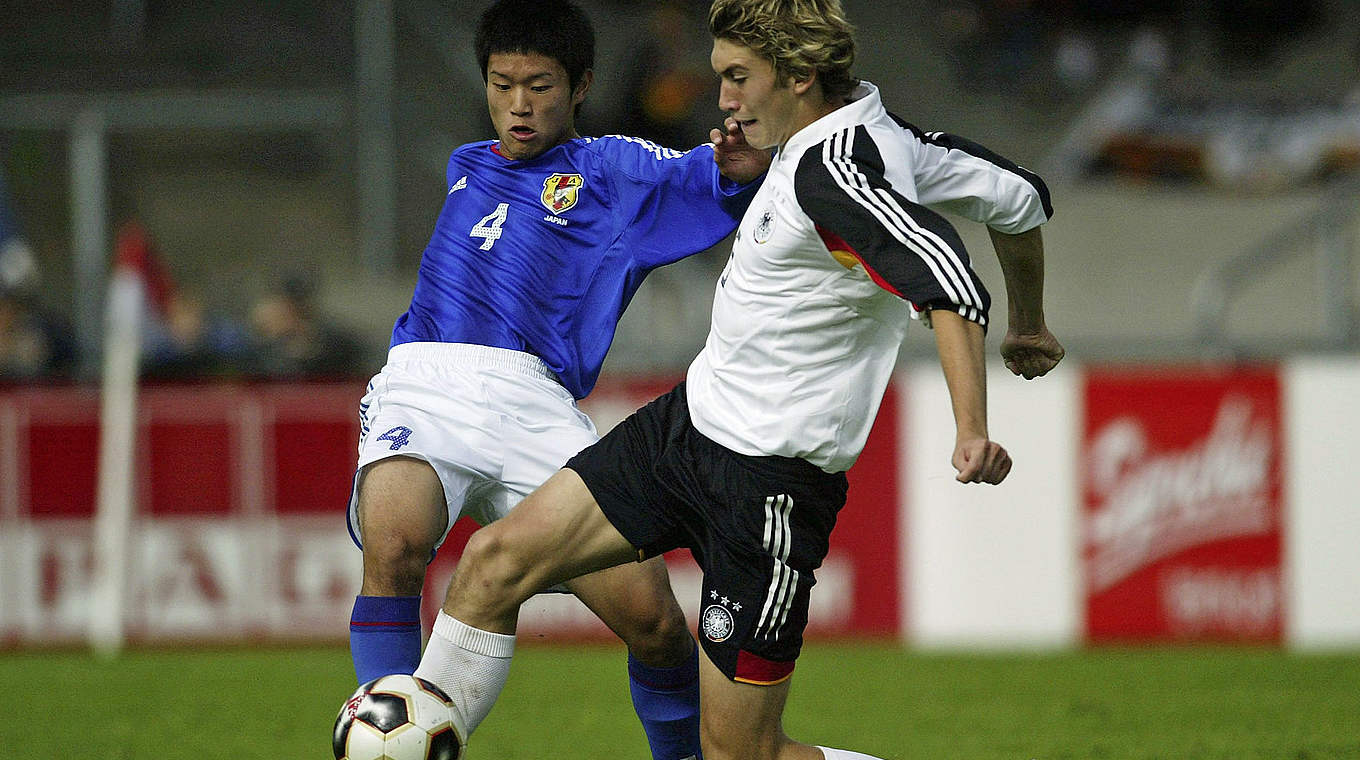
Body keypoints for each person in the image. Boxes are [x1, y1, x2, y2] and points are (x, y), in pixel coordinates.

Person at [409, 0, 1066, 758]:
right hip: (684, 431)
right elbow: (1020, 198)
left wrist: (972, 426)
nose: (720, 98)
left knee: (741, 755)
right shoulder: (870, 137)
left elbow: (948, 277)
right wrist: (1031, 322)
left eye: (736, 77)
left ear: (797, 76)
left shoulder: (835, 174)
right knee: (494, 564)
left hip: (767, 490)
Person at [346, 1, 769, 758]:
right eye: (501, 83)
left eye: (538, 85)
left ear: (580, 87)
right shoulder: (466, 164)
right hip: (424, 380)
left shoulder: (613, 171)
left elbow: (714, 179)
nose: (517, 103)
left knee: (655, 623)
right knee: (396, 543)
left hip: (534, 401)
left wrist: (739, 160)